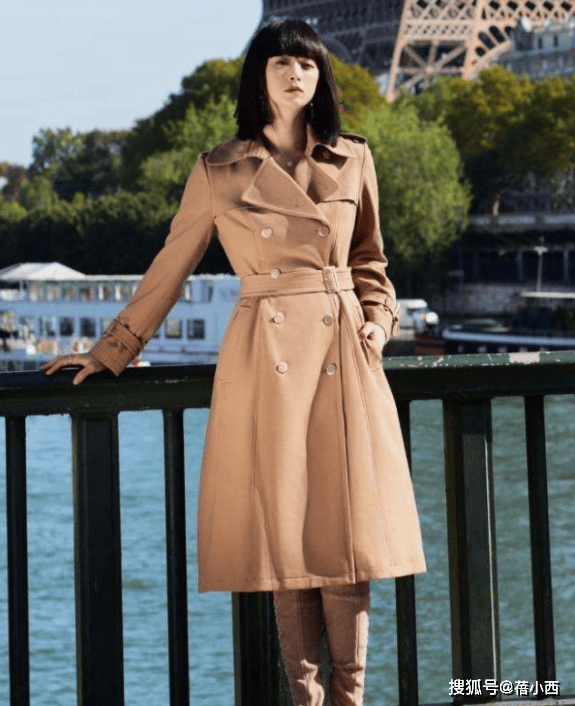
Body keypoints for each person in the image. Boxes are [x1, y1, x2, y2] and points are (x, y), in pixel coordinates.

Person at [44, 18, 426, 706]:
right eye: (281, 63)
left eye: (307, 64)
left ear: (320, 78)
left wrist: (378, 321)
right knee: (287, 541)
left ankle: (350, 698)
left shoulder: (353, 158)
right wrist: (113, 348)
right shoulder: (219, 170)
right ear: (259, 78)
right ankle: (306, 698)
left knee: (348, 536)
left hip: (344, 352)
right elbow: (172, 266)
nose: (295, 74)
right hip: (267, 356)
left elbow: (370, 257)